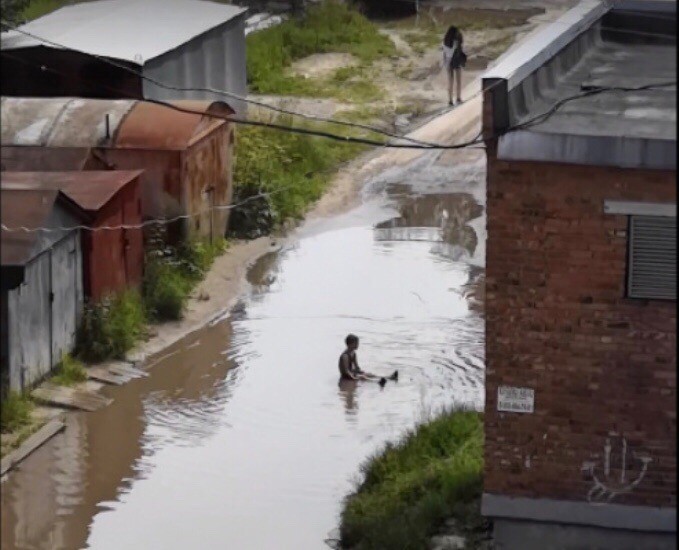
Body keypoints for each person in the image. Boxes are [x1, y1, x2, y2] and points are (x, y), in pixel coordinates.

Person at [442, 25, 466, 106]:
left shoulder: (445, 41)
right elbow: (460, 50)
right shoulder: (457, 41)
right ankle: (458, 98)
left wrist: (445, 63)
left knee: (450, 82)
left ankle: (450, 101)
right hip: (456, 61)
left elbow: (445, 54)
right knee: (458, 81)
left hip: (448, 63)